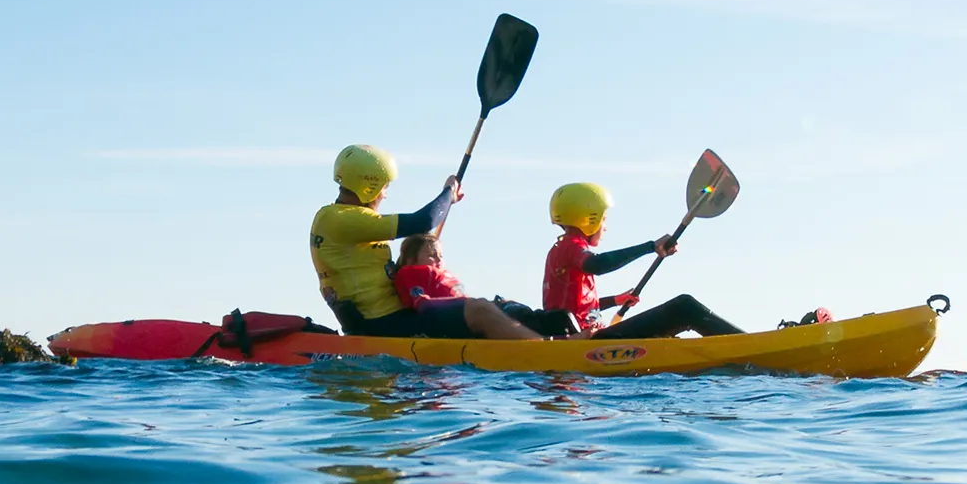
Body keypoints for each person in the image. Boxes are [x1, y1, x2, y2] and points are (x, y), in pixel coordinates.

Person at [310, 145, 543, 341]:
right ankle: (542, 353)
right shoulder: (340, 219)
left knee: (500, 305)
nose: (385, 195)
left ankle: (548, 338)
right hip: (385, 324)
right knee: (480, 309)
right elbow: (424, 221)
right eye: (385, 187)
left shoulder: (341, 220)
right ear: (369, 185)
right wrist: (448, 193)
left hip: (396, 315)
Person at [542, 182, 744, 339]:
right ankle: (745, 345)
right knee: (684, 307)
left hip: (590, 337)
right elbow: (598, 264)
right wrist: (650, 247)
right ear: (589, 218)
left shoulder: (562, 248)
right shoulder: (571, 245)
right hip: (588, 343)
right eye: (604, 219)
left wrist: (615, 300)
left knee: (680, 312)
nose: (605, 227)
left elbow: (573, 309)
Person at [393, 233, 578, 336]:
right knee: (553, 318)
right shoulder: (411, 272)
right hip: (470, 318)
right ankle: (554, 344)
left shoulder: (440, 273)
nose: (438, 260)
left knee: (558, 317)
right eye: (432, 255)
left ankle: (582, 338)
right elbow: (422, 303)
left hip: (493, 309)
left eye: (440, 255)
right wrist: (474, 305)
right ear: (411, 259)